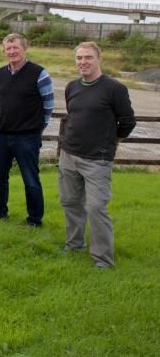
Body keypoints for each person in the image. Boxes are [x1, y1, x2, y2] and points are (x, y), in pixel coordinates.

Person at [58, 42, 135, 269]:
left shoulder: (114, 89)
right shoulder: (72, 87)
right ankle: (74, 245)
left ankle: (103, 259)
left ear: (99, 59)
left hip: (97, 160)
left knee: (96, 208)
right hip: (69, 155)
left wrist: (112, 141)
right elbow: (73, 115)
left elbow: (128, 122)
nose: (83, 62)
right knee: (70, 202)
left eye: (88, 57)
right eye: (79, 58)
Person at [0, 33, 54, 226]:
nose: (12, 51)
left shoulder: (39, 73)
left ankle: (34, 220)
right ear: (4, 50)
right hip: (1, 134)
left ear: (24, 48)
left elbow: (48, 104)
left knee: (30, 179)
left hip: (27, 137)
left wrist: (38, 127)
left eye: (15, 47)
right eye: (8, 48)